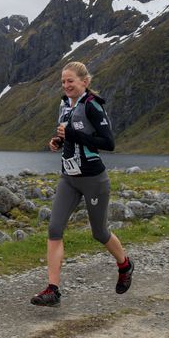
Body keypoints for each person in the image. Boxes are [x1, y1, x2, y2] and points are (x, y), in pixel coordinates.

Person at [31, 61, 133, 307]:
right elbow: (67, 135)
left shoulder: (93, 106)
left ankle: (125, 264)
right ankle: (53, 289)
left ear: (84, 82)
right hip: (69, 178)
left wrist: (74, 137)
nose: (66, 86)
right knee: (54, 230)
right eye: (63, 82)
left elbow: (108, 143)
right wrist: (57, 142)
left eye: (71, 81)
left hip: (93, 180)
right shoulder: (64, 105)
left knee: (99, 233)